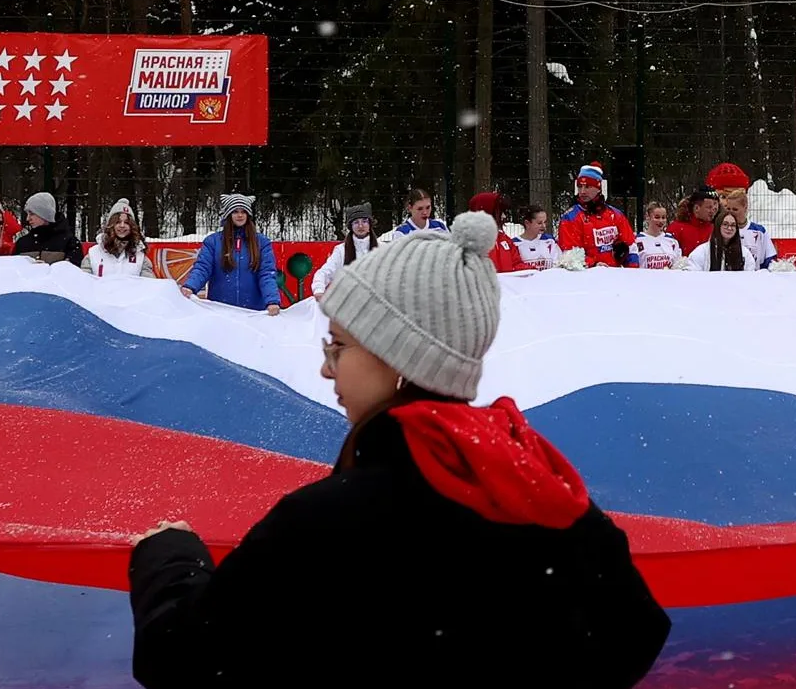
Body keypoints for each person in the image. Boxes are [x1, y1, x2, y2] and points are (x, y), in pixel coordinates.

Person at [128, 213, 671, 688]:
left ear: (398, 354)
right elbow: (637, 628)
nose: (324, 366)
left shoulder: (332, 520)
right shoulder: (536, 484)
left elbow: (185, 661)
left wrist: (170, 559)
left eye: (338, 346)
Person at [179, 193, 281, 314]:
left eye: (243, 211)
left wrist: (272, 301)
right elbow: (202, 268)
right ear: (228, 215)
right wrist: (190, 286)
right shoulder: (213, 242)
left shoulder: (262, 242)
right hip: (220, 311)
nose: (240, 215)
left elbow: (267, 274)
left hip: (253, 312)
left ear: (248, 215)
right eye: (235, 211)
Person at [556, 162, 637, 268]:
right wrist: (594, 265)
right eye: (580, 187)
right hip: (586, 278)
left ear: (599, 188)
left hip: (615, 276)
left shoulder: (616, 215)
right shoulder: (570, 218)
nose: (582, 191)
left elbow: (631, 246)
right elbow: (570, 254)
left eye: (588, 187)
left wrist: (632, 271)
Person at [706, 163, 778, 269]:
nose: (731, 212)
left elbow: (770, 261)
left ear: (745, 207)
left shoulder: (759, 231)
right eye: (728, 209)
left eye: (735, 209)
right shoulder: (716, 229)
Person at [312, 203, 376, 295]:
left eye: (364, 221)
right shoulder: (341, 250)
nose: (360, 226)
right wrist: (318, 290)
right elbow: (325, 272)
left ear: (370, 225)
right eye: (356, 222)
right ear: (351, 227)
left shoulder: (382, 248)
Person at [86, 199, 156, 279]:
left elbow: (149, 286)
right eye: (118, 222)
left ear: (131, 226)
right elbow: (84, 284)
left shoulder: (140, 257)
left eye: (126, 222)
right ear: (111, 224)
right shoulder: (93, 254)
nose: (122, 225)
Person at [13, 191, 84, 266]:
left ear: (45, 214)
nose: (28, 218)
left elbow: (73, 272)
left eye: (32, 214)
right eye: (27, 214)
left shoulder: (69, 242)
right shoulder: (22, 243)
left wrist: (48, 270)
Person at [467, 191, 526, 273]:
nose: (503, 216)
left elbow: (516, 264)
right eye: (500, 212)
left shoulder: (504, 239)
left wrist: (538, 272)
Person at [686, 210, 755, 272]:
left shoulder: (745, 253)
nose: (729, 228)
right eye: (725, 224)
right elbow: (692, 276)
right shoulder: (701, 252)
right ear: (718, 226)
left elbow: (749, 276)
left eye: (733, 225)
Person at [379, 188, 447, 246]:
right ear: (410, 208)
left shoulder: (440, 227)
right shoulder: (402, 232)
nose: (425, 212)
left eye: (428, 207)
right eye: (420, 209)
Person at [668, 187, 719, 256]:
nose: (712, 211)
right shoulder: (676, 228)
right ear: (697, 208)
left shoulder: (716, 229)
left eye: (715, 208)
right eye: (709, 207)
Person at [633, 202, 683, 270]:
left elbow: (677, 264)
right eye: (657, 217)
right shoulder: (637, 240)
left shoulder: (671, 241)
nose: (661, 221)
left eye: (663, 217)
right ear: (648, 217)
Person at [513, 206, 562, 270]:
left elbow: (558, 263)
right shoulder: (515, 244)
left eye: (545, 222)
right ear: (527, 223)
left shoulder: (549, 241)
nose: (543, 226)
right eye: (539, 223)